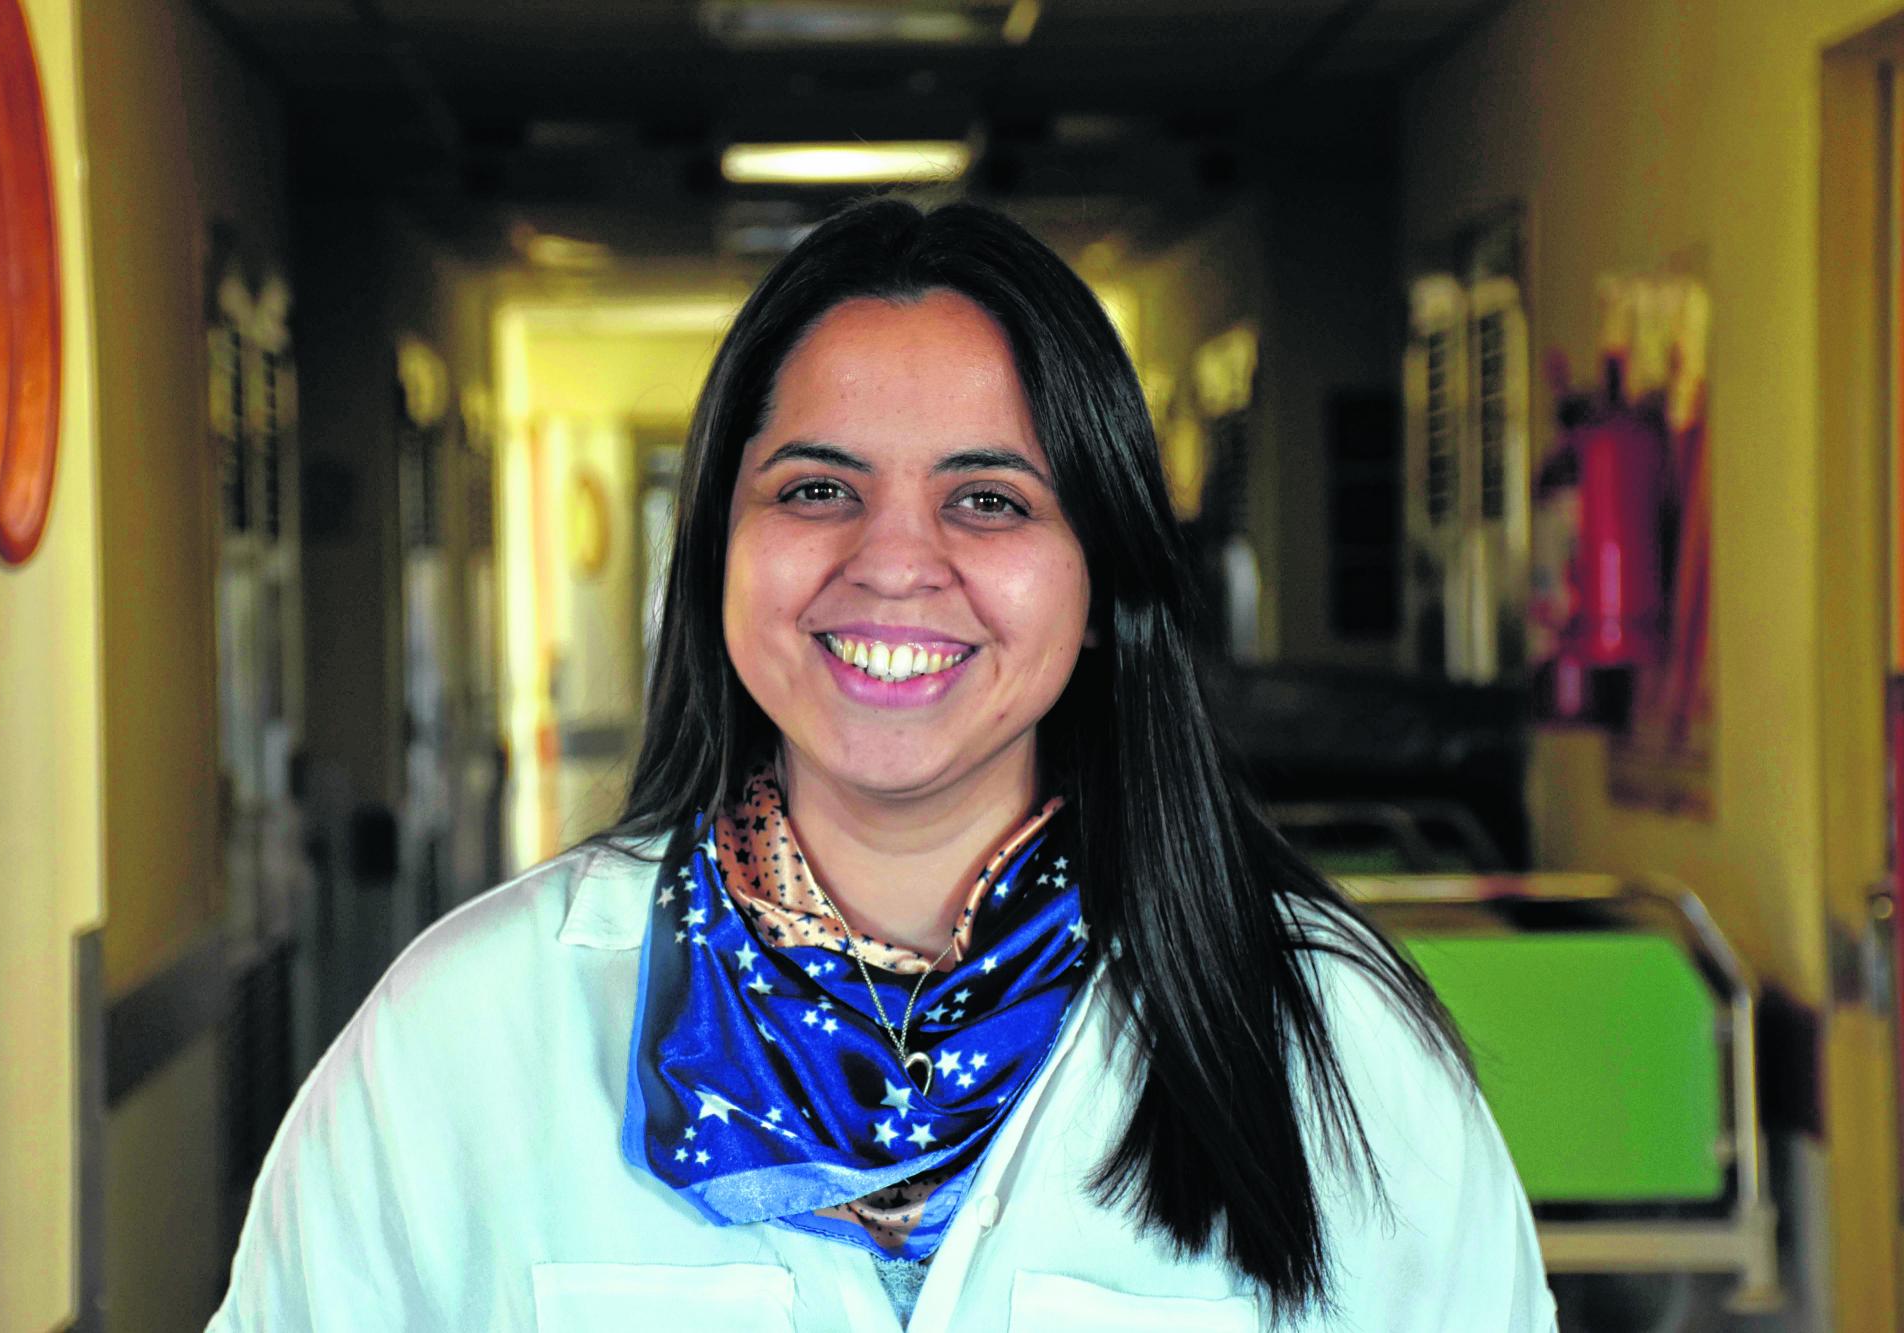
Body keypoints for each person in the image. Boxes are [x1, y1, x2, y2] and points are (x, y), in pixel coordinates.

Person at [209, 198, 1553, 1331]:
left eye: (990, 499)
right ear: (718, 553)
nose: (896, 562)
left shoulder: (1337, 1048)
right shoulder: (464, 1035)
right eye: (816, 489)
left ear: (1104, 578)